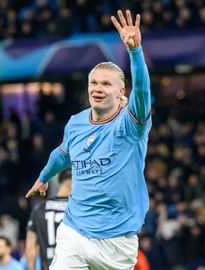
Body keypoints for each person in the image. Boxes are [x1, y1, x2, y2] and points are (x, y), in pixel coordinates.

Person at [26, 9, 151, 269]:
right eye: (93, 82)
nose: (97, 88)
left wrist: (135, 51)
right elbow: (62, 154)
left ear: (120, 91)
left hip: (117, 241)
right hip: (75, 231)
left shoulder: (131, 124)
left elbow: (142, 90)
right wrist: (44, 177)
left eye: (106, 84)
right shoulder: (76, 122)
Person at [25, 171, 72, 270]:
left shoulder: (40, 208)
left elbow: (30, 250)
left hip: (48, 265)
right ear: (71, 184)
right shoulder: (77, 209)